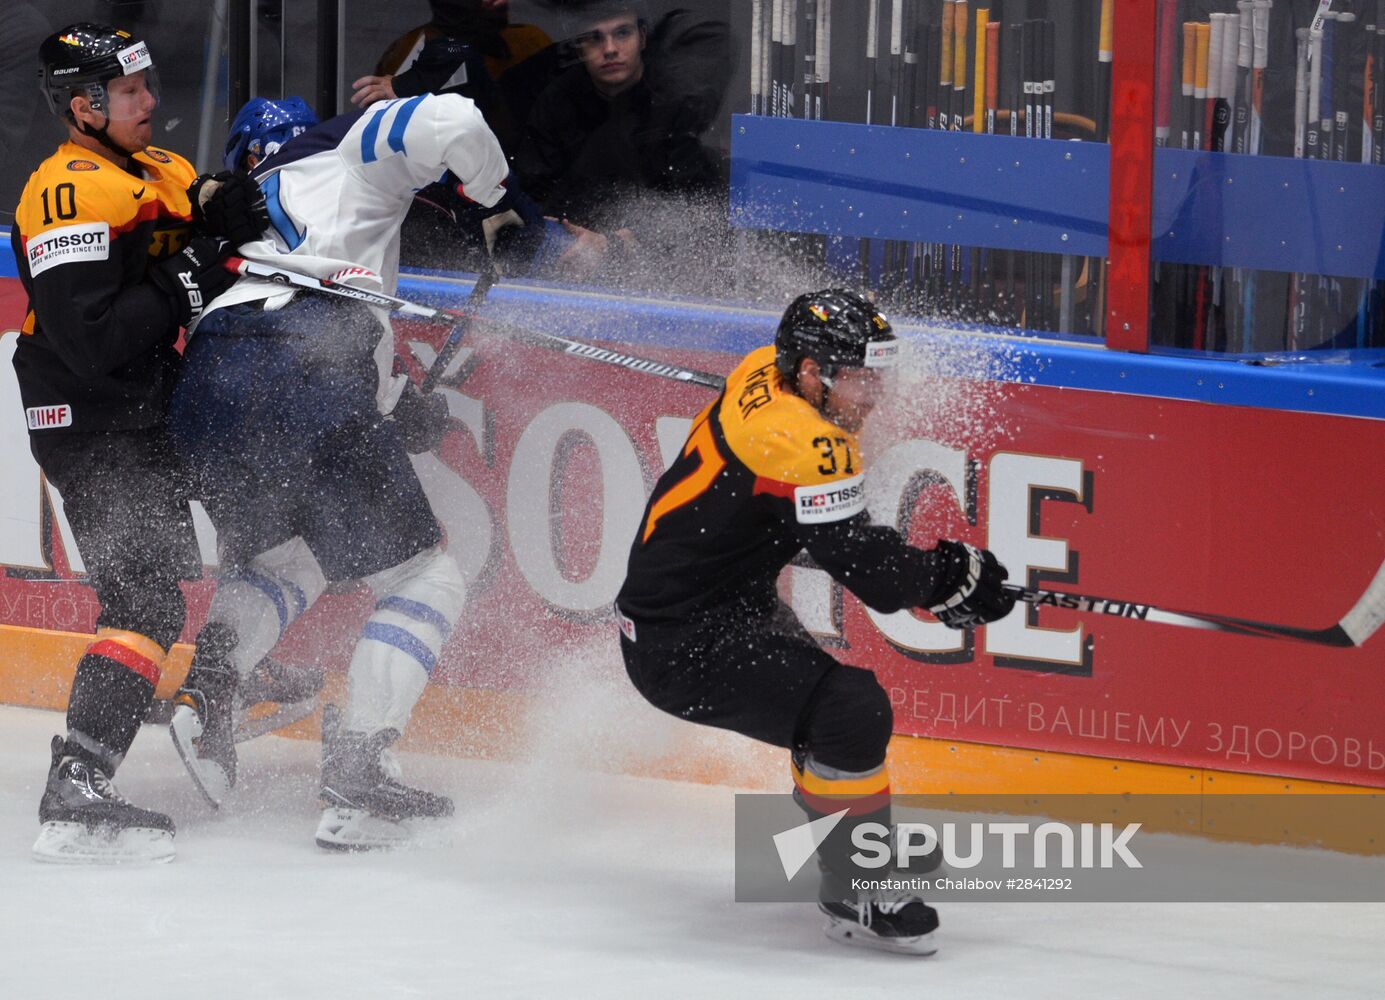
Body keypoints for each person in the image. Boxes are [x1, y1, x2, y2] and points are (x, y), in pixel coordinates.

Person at [166, 92, 540, 850]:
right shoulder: (342, 143)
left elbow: (291, 311)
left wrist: (396, 405)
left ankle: (206, 698)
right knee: (424, 578)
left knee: (284, 560)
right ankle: (360, 767)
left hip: (209, 381)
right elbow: (458, 121)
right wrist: (496, 201)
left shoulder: (246, 197)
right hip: (305, 370)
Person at [615, 289, 1016, 954]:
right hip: (681, 642)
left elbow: (805, 526)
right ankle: (856, 881)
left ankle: (850, 850)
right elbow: (866, 569)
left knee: (826, 723)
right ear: (806, 371)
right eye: (857, 378)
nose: (870, 397)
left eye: (875, 377)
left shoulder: (759, 371)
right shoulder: (801, 442)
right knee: (850, 709)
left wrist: (937, 579)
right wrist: (950, 579)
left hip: (716, 606)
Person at [12, 23, 265, 863]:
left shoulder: (166, 172)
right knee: (147, 601)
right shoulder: (65, 192)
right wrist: (202, 255)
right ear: (84, 108)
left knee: (273, 506)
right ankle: (76, 788)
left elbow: (211, 252)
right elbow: (93, 343)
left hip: (155, 407)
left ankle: (226, 683)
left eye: (147, 86)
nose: (151, 103)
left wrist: (229, 219)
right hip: (86, 419)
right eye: (129, 93)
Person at [515, 2, 731, 280]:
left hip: (664, 268)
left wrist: (615, 243)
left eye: (622, 33)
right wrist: (569, 234)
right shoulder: (556, 102)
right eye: (594, 38)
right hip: (574, 261)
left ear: (642, 37)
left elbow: (696, 210)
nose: (609, 49)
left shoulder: (675, 101)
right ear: (579, 48)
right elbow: (534, 194)